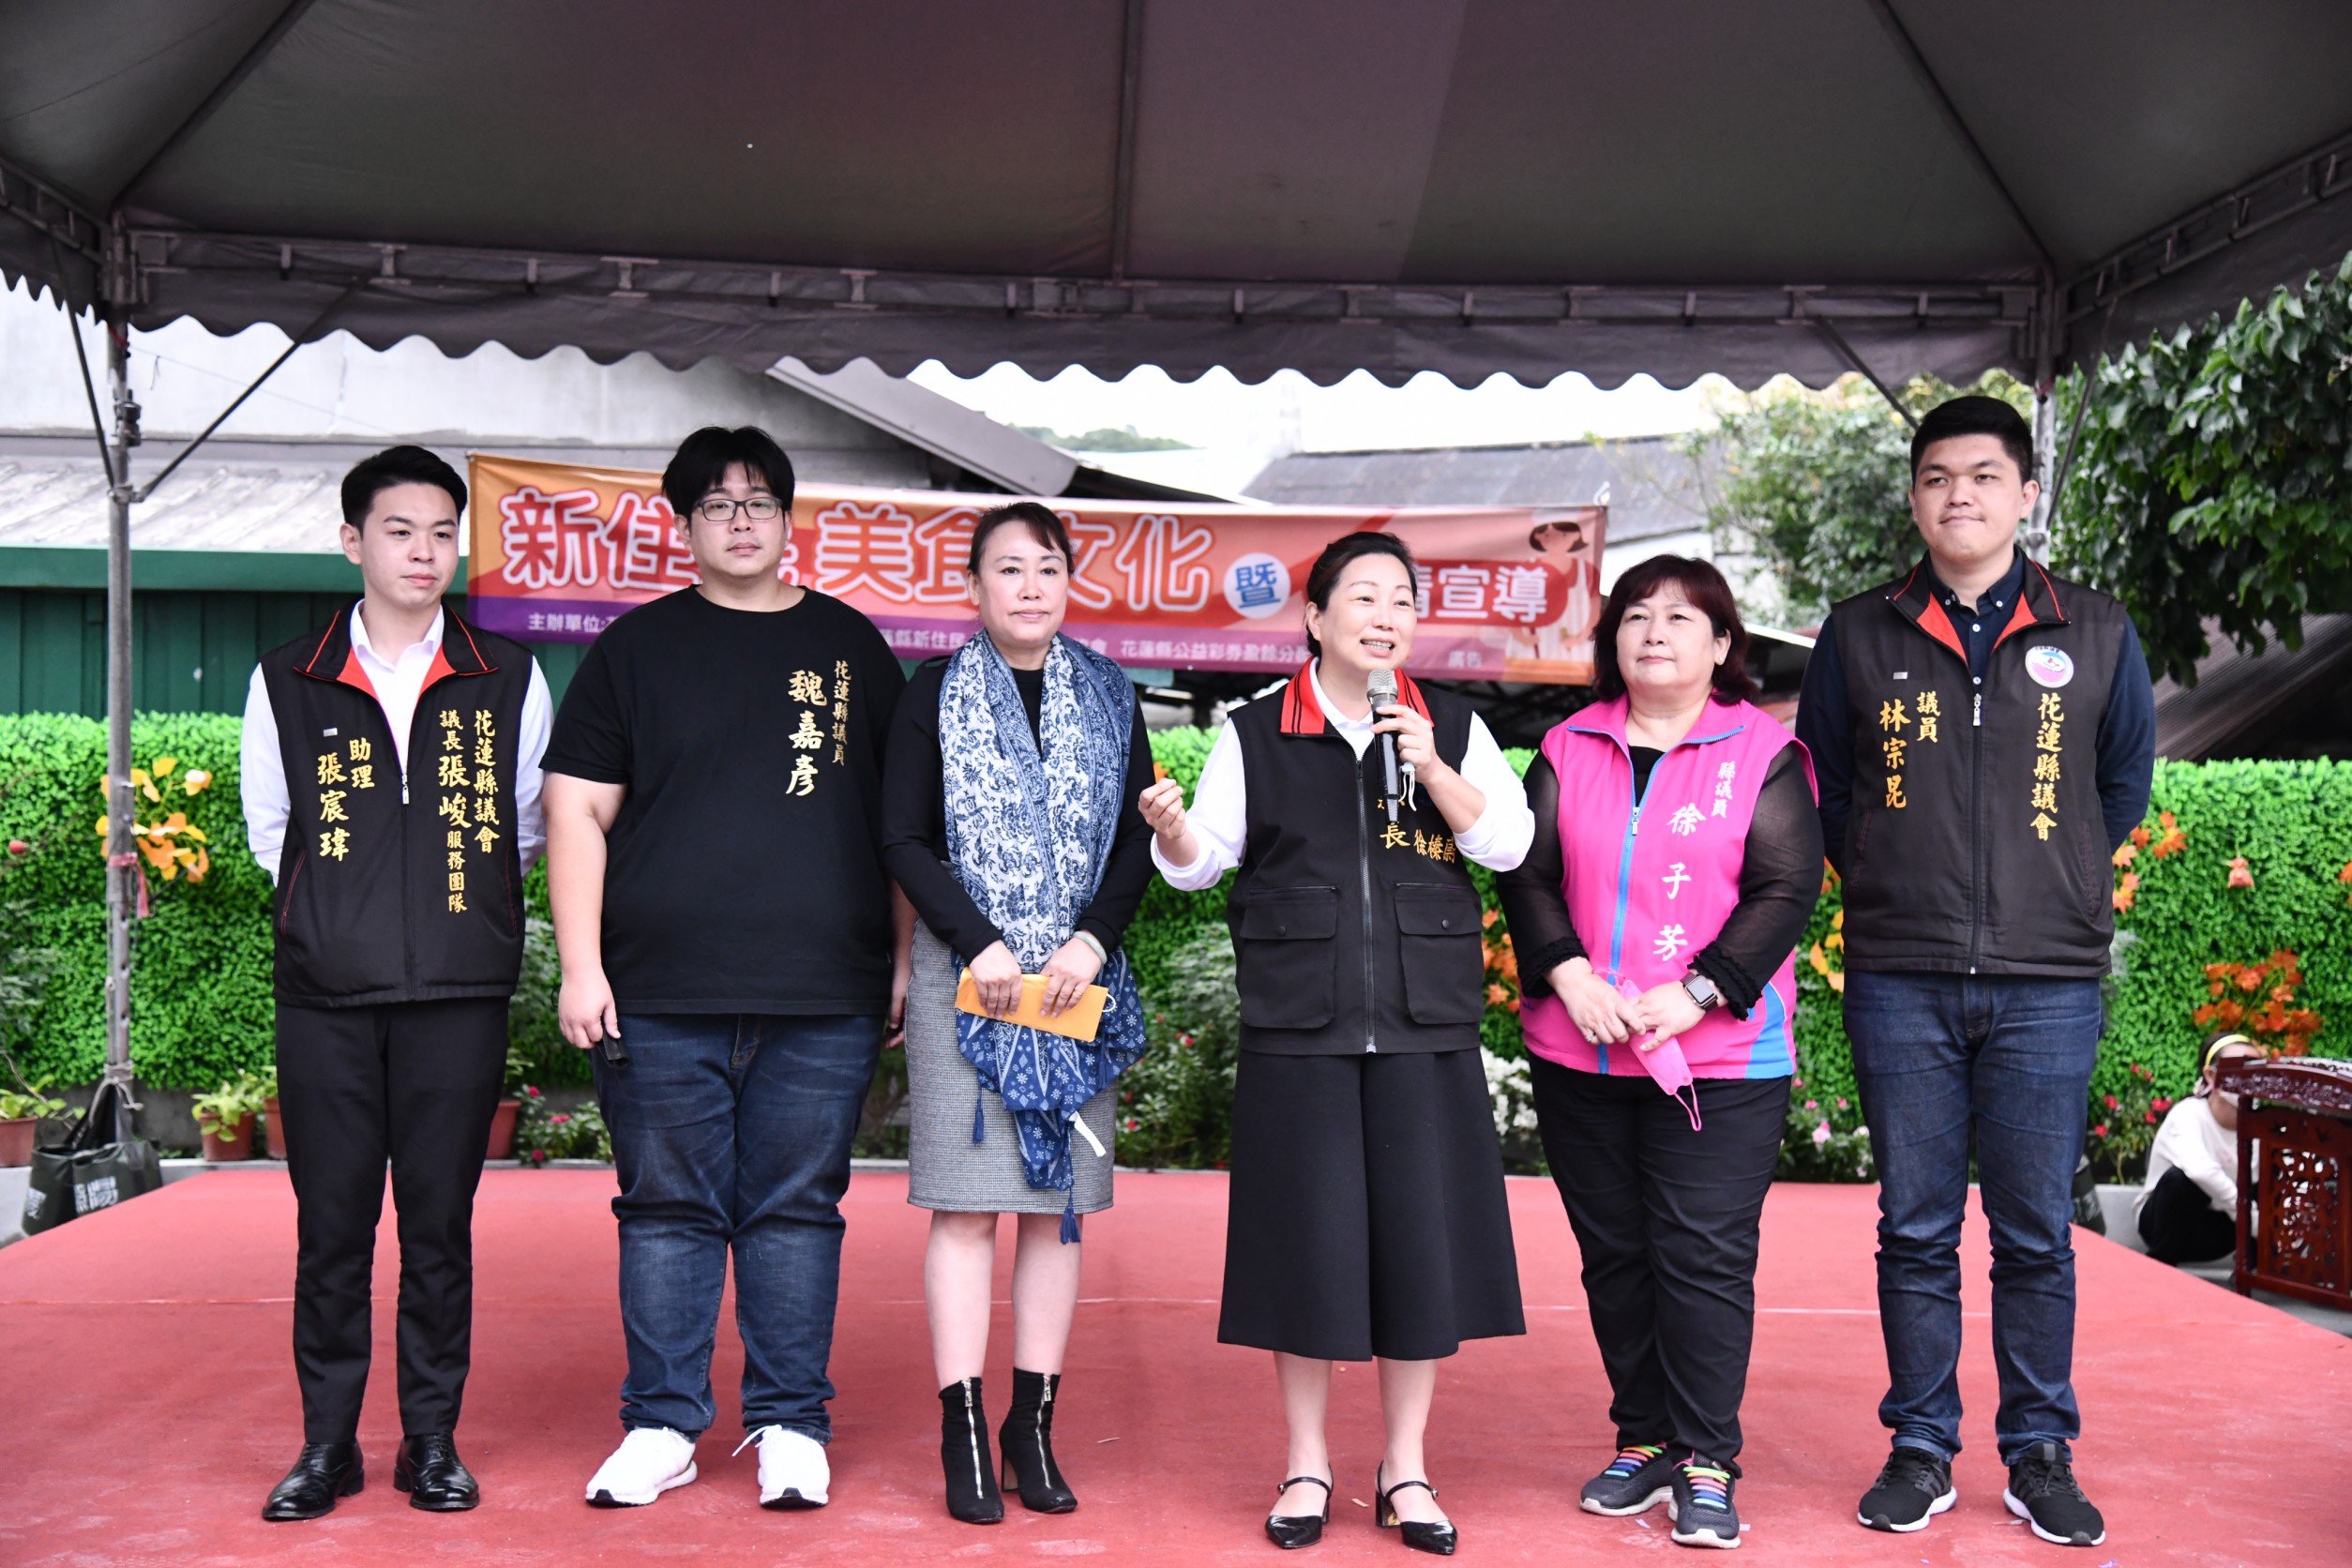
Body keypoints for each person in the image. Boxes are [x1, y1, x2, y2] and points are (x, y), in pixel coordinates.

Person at [1795, 395, 2156, 1549]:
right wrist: (1888, 873)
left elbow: (2121, 785)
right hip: (1901, 971)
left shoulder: (2096, 631)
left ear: (2026, 493)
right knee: (1913, 1225)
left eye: (1986, 475)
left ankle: (2040, 1449)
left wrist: (2056, 878)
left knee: (2036, 1228)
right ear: (1914, 497)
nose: (1962, 495)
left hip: (2048, 979)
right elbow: (1825, 784)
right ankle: (1921, 1444)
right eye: (1939, 476)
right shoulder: (1859, 634)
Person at [1141, 530, 1534, 1557]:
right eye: (1362, 596)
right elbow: (1202, 862)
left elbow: (1508, 843)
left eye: (1401, 597)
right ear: (1315, 618)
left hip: (1421, 1021)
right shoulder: (1256, 731)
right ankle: (1307, 1461)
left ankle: (1406, 1466)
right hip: (1299, 1025)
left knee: (1420, 1251)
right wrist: (1172, 829)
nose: (1384, 615)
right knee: (1303, 1249)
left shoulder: (1451, 724)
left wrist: (1431, 764)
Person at [542, 426, 909, 1513]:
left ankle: (790, 1423)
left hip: (824, 991)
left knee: (798, 1210)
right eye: (716, 504)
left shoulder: (850, 648)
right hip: (657, 991)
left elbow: (900, 823)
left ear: (788, 519)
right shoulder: (634, 650)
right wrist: (579, 966)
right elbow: (576, 809)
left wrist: (898, 959)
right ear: (684, 523)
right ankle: (661, 1424)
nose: (740, 521)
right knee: (666, 1209)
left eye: (758, 502)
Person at [240, 445, 551, 1520]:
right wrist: (343, 919)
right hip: (326, 998)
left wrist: (459, 917)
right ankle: (326, 1445)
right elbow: (271, 831)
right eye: (399, 530)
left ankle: (431, 1440)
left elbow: (526, 827)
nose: (424, 551)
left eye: (441, 533)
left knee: (438, 1228)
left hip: (457, 994)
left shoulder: (505, 672)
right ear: (352, 541)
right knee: (331, 1230)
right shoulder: (289, 676)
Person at [1497, 555, 1820, 1550]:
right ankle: (1643, 1437)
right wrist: (1569, 975)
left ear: (1721, 645)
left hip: (1718, 1060)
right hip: (1582, 1049)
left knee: (1703, 1257)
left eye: (1681, 619)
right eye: (1636, 616)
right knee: (1616, 1255)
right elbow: (1526, 873)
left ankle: (1708, 1458)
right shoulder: (1568, 746)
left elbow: (1787, 886)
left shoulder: (1764, 752)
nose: (1654, 633)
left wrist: (1699, 991)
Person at [880, 501, 1158, 1524]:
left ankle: (1030, 1427)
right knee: (966, 1207)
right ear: (973, 588)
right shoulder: (932, 692)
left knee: (1057, 1212)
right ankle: (961, 1428)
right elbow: (902, 837)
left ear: (1070, 583)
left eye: (1048, 567)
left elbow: (1136, 837)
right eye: (1008, 568)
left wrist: (1090, 940)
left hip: (1079, 982)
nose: (1031, 586)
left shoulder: (1112, 693)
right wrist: (981, 940)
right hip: (969, 978)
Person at [2135, 1032, 2264, 1264]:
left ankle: (2253, 1268)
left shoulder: (2261, 1126)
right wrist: (2248, 1215)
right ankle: (2160, 1267)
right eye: (2241, 1067)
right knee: (2181, 1180)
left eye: (2257, 1069)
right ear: (2211, 1075)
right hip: (2165, 1226)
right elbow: (2200, 1170)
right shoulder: (2188, 1114)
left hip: (2222, 1229)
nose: (2250, 1078)